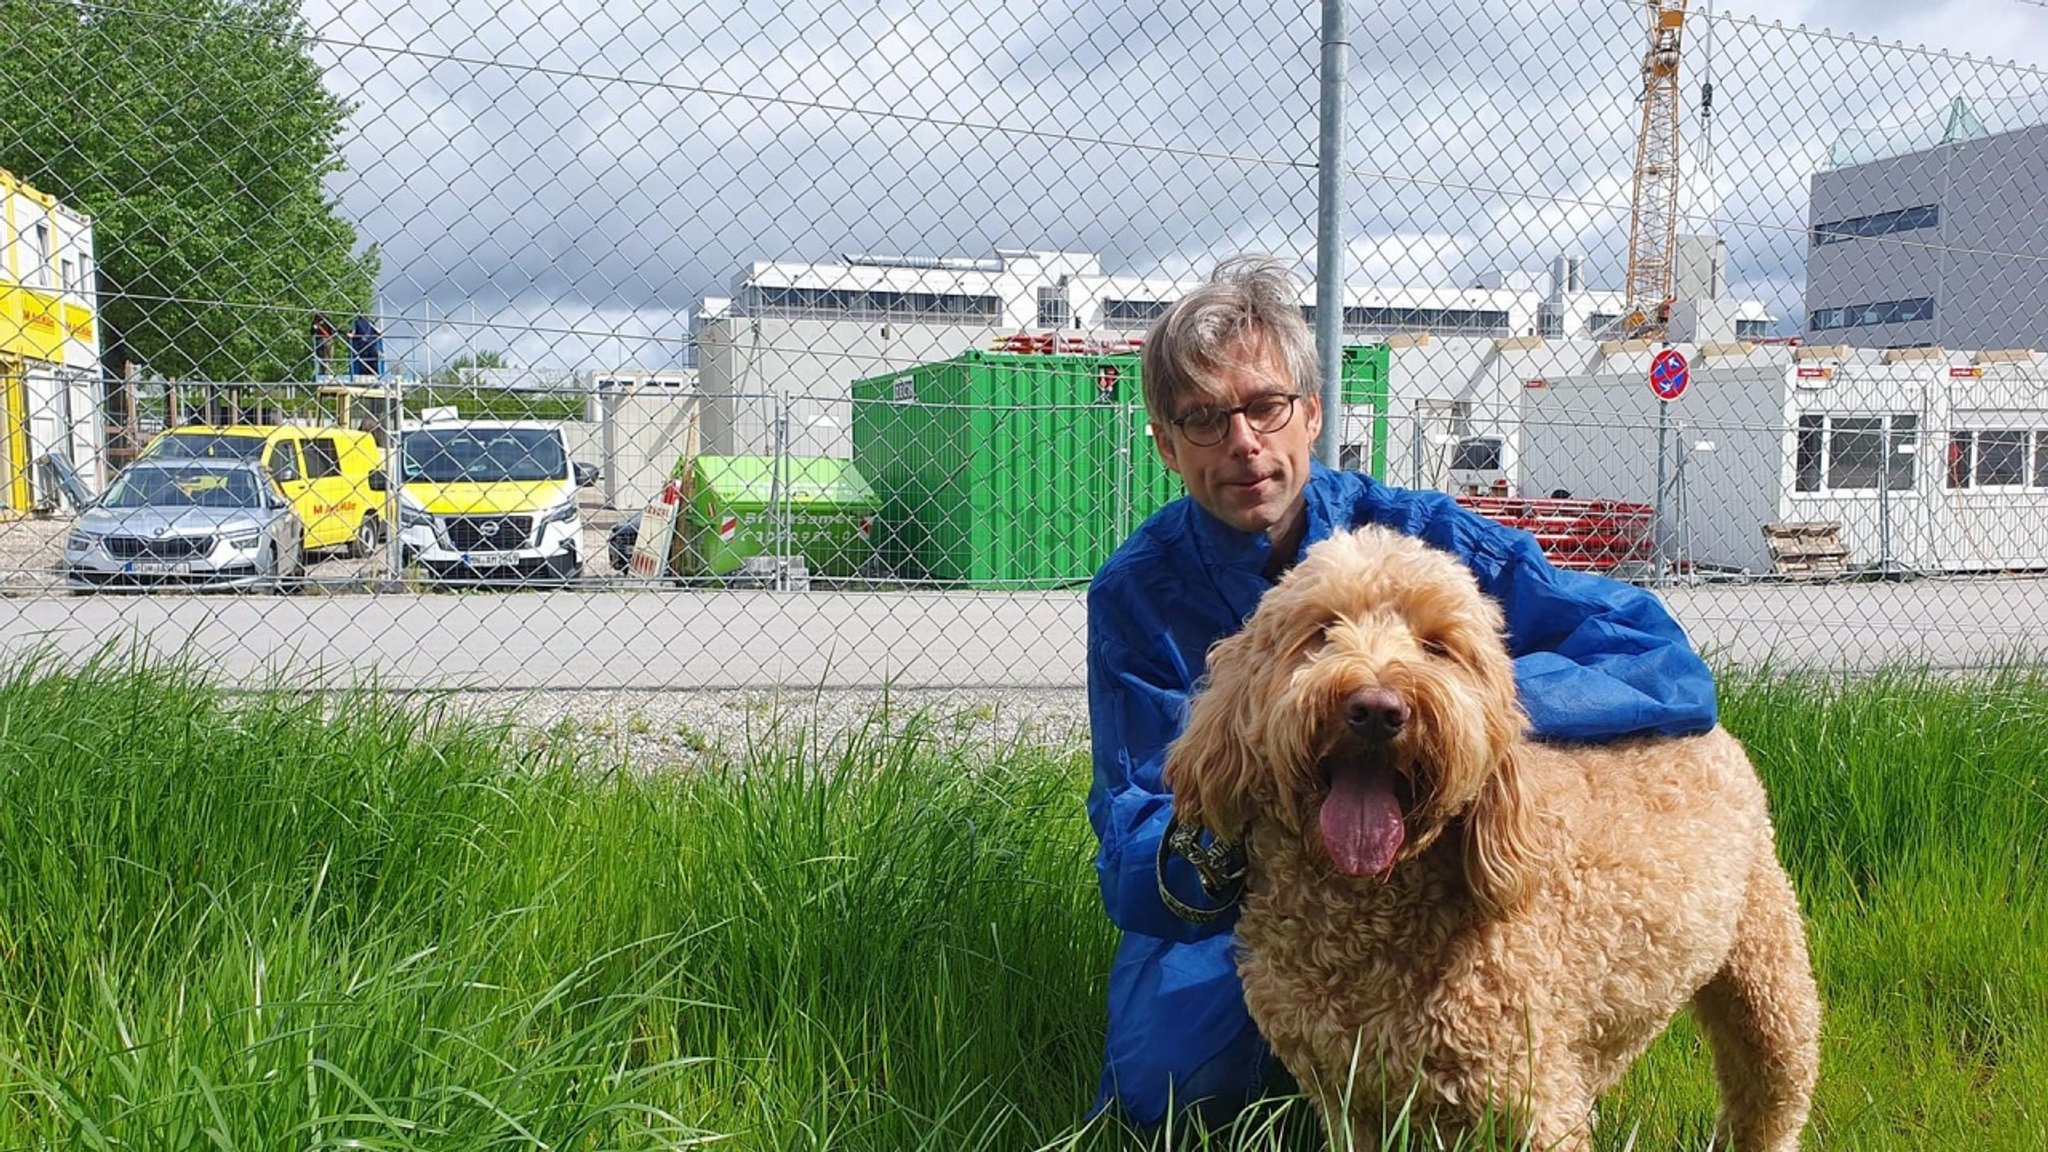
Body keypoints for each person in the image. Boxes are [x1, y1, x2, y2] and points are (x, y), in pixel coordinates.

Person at [1085, 257, 1717, 1133]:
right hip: (1242, 895)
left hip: (1435, 881)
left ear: (1311, 414)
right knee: (1172, 1097)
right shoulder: (1135, 595)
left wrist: (1464, 710)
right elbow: (1134, 850)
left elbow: (1663, 664)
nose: (1243, 443)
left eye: (1265, 406)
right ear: (1165, 441)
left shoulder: (1426, 535)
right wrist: (1255, 807)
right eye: (1204, 418)